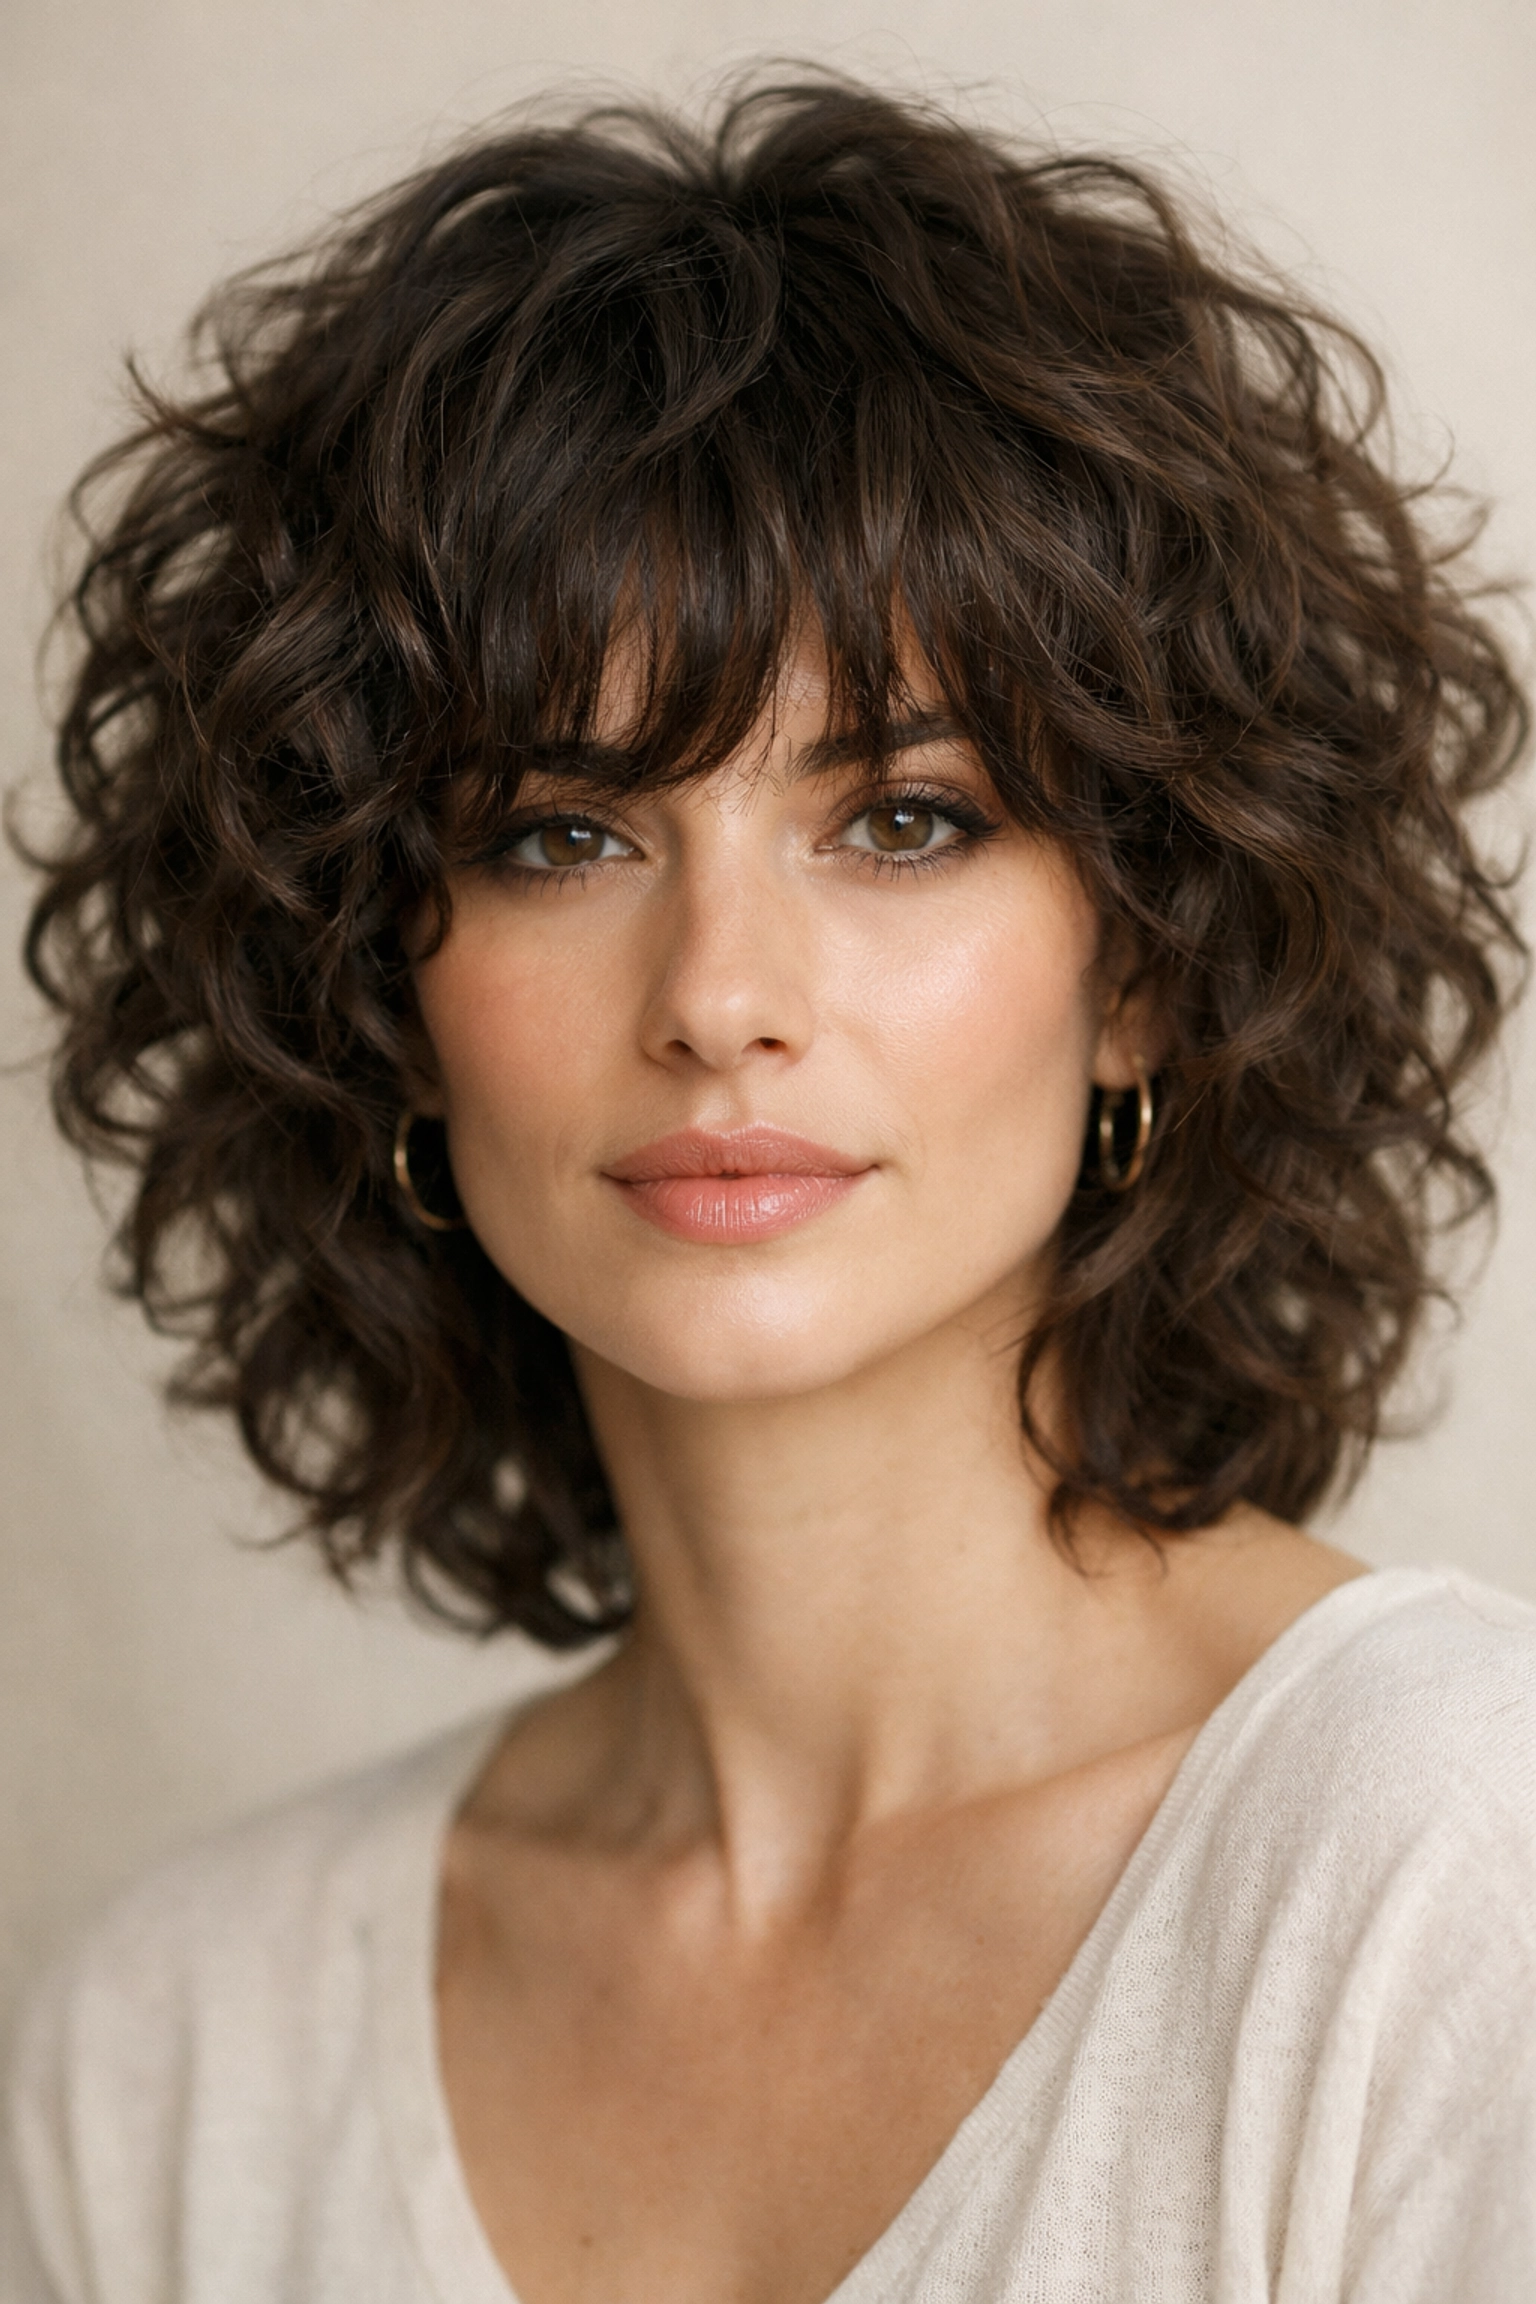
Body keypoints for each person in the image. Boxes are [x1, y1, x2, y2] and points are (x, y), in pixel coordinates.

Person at [4, 71, 1534, 2304]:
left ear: (1148, 962)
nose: (722, 996)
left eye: (903, 819)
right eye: (559, 832)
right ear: (376, 985)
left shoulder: (1448, 1879)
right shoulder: (173, 2053)